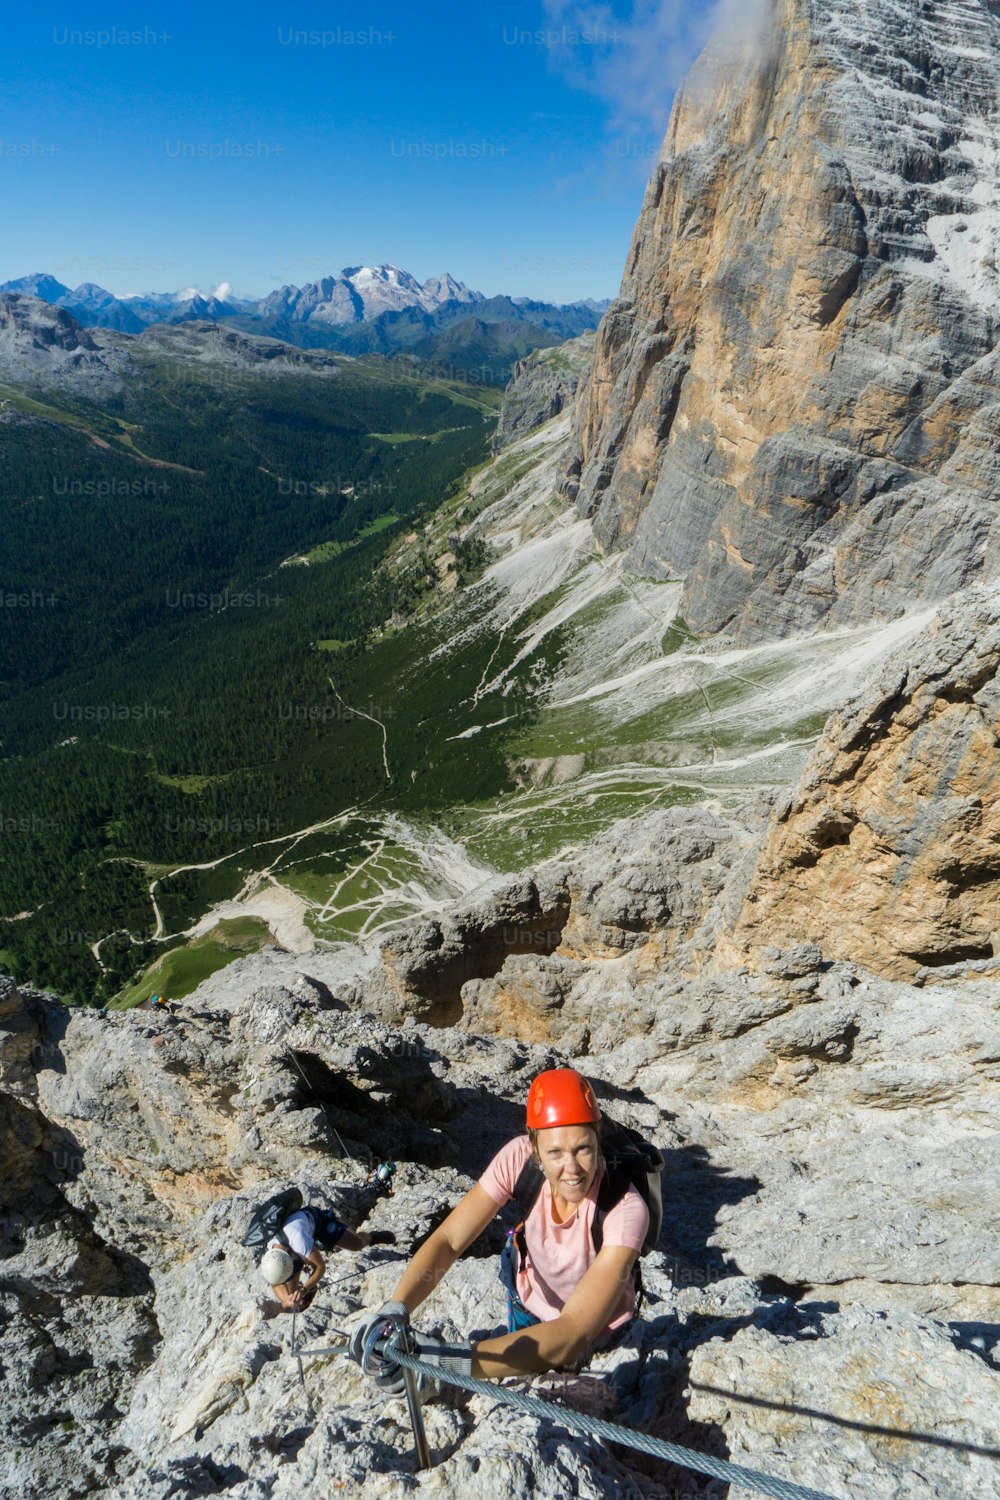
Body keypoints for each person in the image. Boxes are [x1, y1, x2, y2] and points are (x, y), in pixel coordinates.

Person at [348, 1068, 648, 1389]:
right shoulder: (518, 1158)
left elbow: (573, 1331)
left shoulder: (625, 1209)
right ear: (536, 1149)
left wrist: (449, 1363)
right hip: (529, 1301)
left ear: (598, 1140)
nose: (571, 1169)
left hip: (598, 1330)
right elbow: (450, 1240)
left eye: (583, 1149)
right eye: (555, 1153)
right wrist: (397, 1307)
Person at [260, 1204, 394, 1312]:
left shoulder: (298, 1241)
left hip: (320, 1223)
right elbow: (276, 1282)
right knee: (288, 1301)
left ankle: (372, 1237)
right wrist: (288, 1300)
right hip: (294, 1247)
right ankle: (304, 1294)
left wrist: (304, 1289)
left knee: (357, 1244)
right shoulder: (272, 1256)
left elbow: (320, 1267)